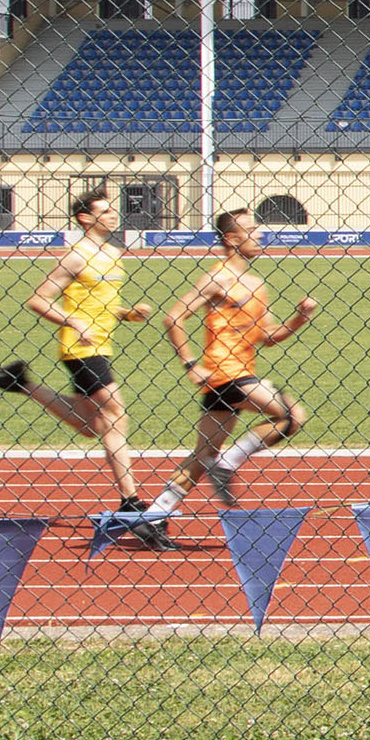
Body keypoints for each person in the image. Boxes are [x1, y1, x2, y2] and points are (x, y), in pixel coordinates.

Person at [0, 188, 171, 548]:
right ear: (85, 218)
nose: (113, 216)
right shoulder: (75, 257)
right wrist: (74, 322)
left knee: (89, 425)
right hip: (79, 347)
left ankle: (19, 382)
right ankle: (131, 504)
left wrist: (127, 314)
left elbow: (102, 303)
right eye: (105, 211)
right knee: (115, 417)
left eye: (113, 211)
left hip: (102, 345)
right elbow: (38, 299)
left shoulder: (113, 254)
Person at [146, 207, 316, 518]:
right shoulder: (217, 277)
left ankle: (155, 515)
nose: (260, 234)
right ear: (232, 239)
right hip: (225, 372)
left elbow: (268, 335)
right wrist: (190, 364)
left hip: (238, 373)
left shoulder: (255, 284)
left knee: (203, 453)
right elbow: (173, 318)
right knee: (292, 416)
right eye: (251, 230)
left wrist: (299, 319)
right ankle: (228, 464)